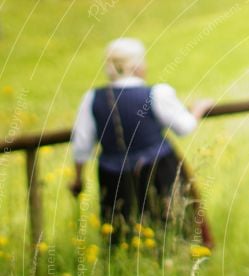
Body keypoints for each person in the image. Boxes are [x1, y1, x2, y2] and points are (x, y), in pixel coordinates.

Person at [69, 38, 213, 245]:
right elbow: (184, 127)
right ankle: (182, 259)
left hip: (113, 176)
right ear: (136, 66)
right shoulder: (156, 93)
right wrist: (198, 109)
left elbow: (82, 145)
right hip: (160, 169)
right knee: (172, 223)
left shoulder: (92, 98)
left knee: (123, 229)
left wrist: (77, 179)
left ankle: (126, 263)